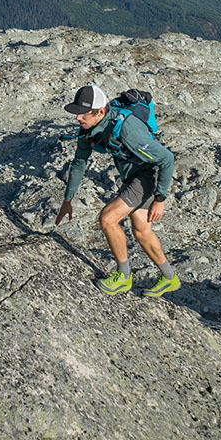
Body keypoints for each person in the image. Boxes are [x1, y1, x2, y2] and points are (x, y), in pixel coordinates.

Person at [55, 84, 180, 297]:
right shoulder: (89, 130)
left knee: (108, 219)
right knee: (141, 230)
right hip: (133, 176)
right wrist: (68, 199)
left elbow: (166, 158)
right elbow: (79, 163)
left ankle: (123, 277)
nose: (78, 118)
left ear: (100, 112)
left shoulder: (128, 129)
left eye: (83, 113)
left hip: (147, 175)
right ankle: (169, 278)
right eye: (77, 113)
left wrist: (160, 198)